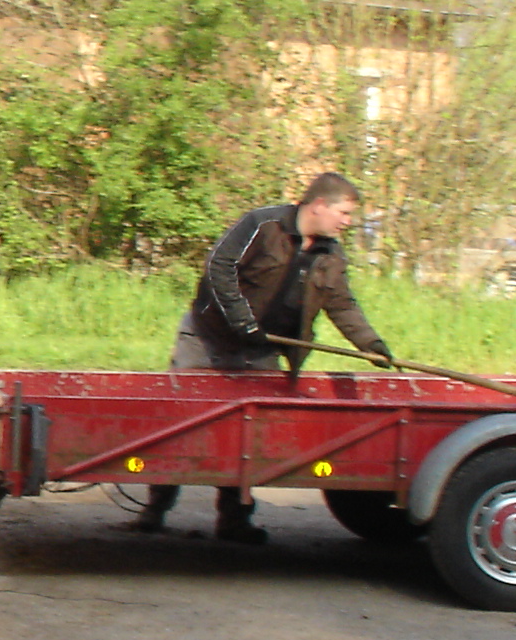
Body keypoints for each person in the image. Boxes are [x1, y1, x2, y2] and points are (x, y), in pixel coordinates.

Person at [136, 171, 391, 544]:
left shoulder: (331, 255)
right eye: (345, 213)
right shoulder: (261, 224)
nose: (348, 222)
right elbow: (218, 268)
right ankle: (155, 509)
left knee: (249, 437)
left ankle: (234, 521)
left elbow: (342, 305)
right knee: (181, 424)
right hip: (207, 338)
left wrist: (371, 344)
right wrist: (242, 321)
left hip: (262, 351)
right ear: (319, 205)